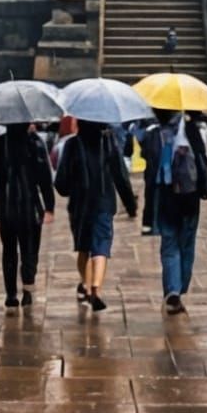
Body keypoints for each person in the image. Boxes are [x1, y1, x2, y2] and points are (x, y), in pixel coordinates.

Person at [54, 119, 136, 310]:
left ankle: (86, 284)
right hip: (103, 201)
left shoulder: (72, 144)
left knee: (83, 248)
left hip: (79, 204)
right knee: (101, 246)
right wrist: (130, 204)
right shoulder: (108, 142)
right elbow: (121, 176)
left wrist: (70, 188)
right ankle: (96, 288)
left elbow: (61, 182)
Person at [0, 124, 55, 308]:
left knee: (9, 250)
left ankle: (11, 294)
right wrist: (49, 206)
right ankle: (27, 286)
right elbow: (45, 179)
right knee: (30, 249)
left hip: (6, 207)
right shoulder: (35, 143)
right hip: (30, 206)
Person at [140, 108, 207, 312]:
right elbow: (202, 158)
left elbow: (147, 158)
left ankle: (172, 289)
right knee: (187, 242)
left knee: (169, 242)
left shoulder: (153, 133)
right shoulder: (190, 129)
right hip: (189, 194)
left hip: (165, 193)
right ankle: (180, 288)